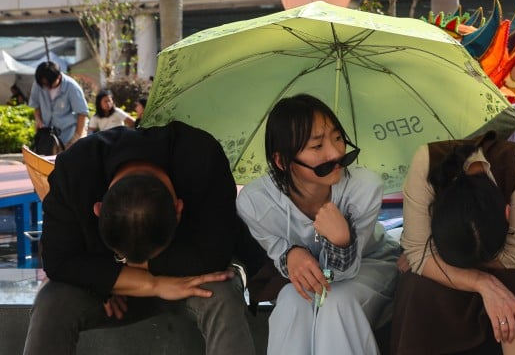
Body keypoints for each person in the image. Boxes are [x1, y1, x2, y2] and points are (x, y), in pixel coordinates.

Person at [24, 122, 267, 355]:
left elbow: (214, 255)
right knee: (52, 302)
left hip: (189, 281)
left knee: (222, 294)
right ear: (98, 210)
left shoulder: (201, 157)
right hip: (118, 290)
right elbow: (57, 261)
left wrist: (109, 273)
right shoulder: (75, 169)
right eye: (122, 254)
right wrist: (148, 283)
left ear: (179, 210)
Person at [236, 94, 399, 355]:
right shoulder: (256, 203)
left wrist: (340, 240)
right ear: (282, 161)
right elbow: (278, 252)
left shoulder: (363, 188)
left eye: (337, 138)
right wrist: (290, 255)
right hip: (311, 282)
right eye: (317, 146)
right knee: (290, 301)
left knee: (337, 301)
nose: (335, 152)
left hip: (371, 265)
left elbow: (343, 274)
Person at [390, 132, 515, 355]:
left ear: (508, 214)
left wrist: (435, 265)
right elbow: (417, 251)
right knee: (416, 286)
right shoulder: (426, 161)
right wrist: (480, 283)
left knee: (514, 289)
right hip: (448, 254)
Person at [28, 60, 89, 150]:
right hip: (47, 135)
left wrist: (76, 137)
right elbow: (36, 106)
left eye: (50, 85)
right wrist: (38, 120)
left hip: (68, 134)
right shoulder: (38, 85)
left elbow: (82, 113)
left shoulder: (72, 87)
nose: (47, 88)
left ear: (59, 77)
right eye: (44, 85)